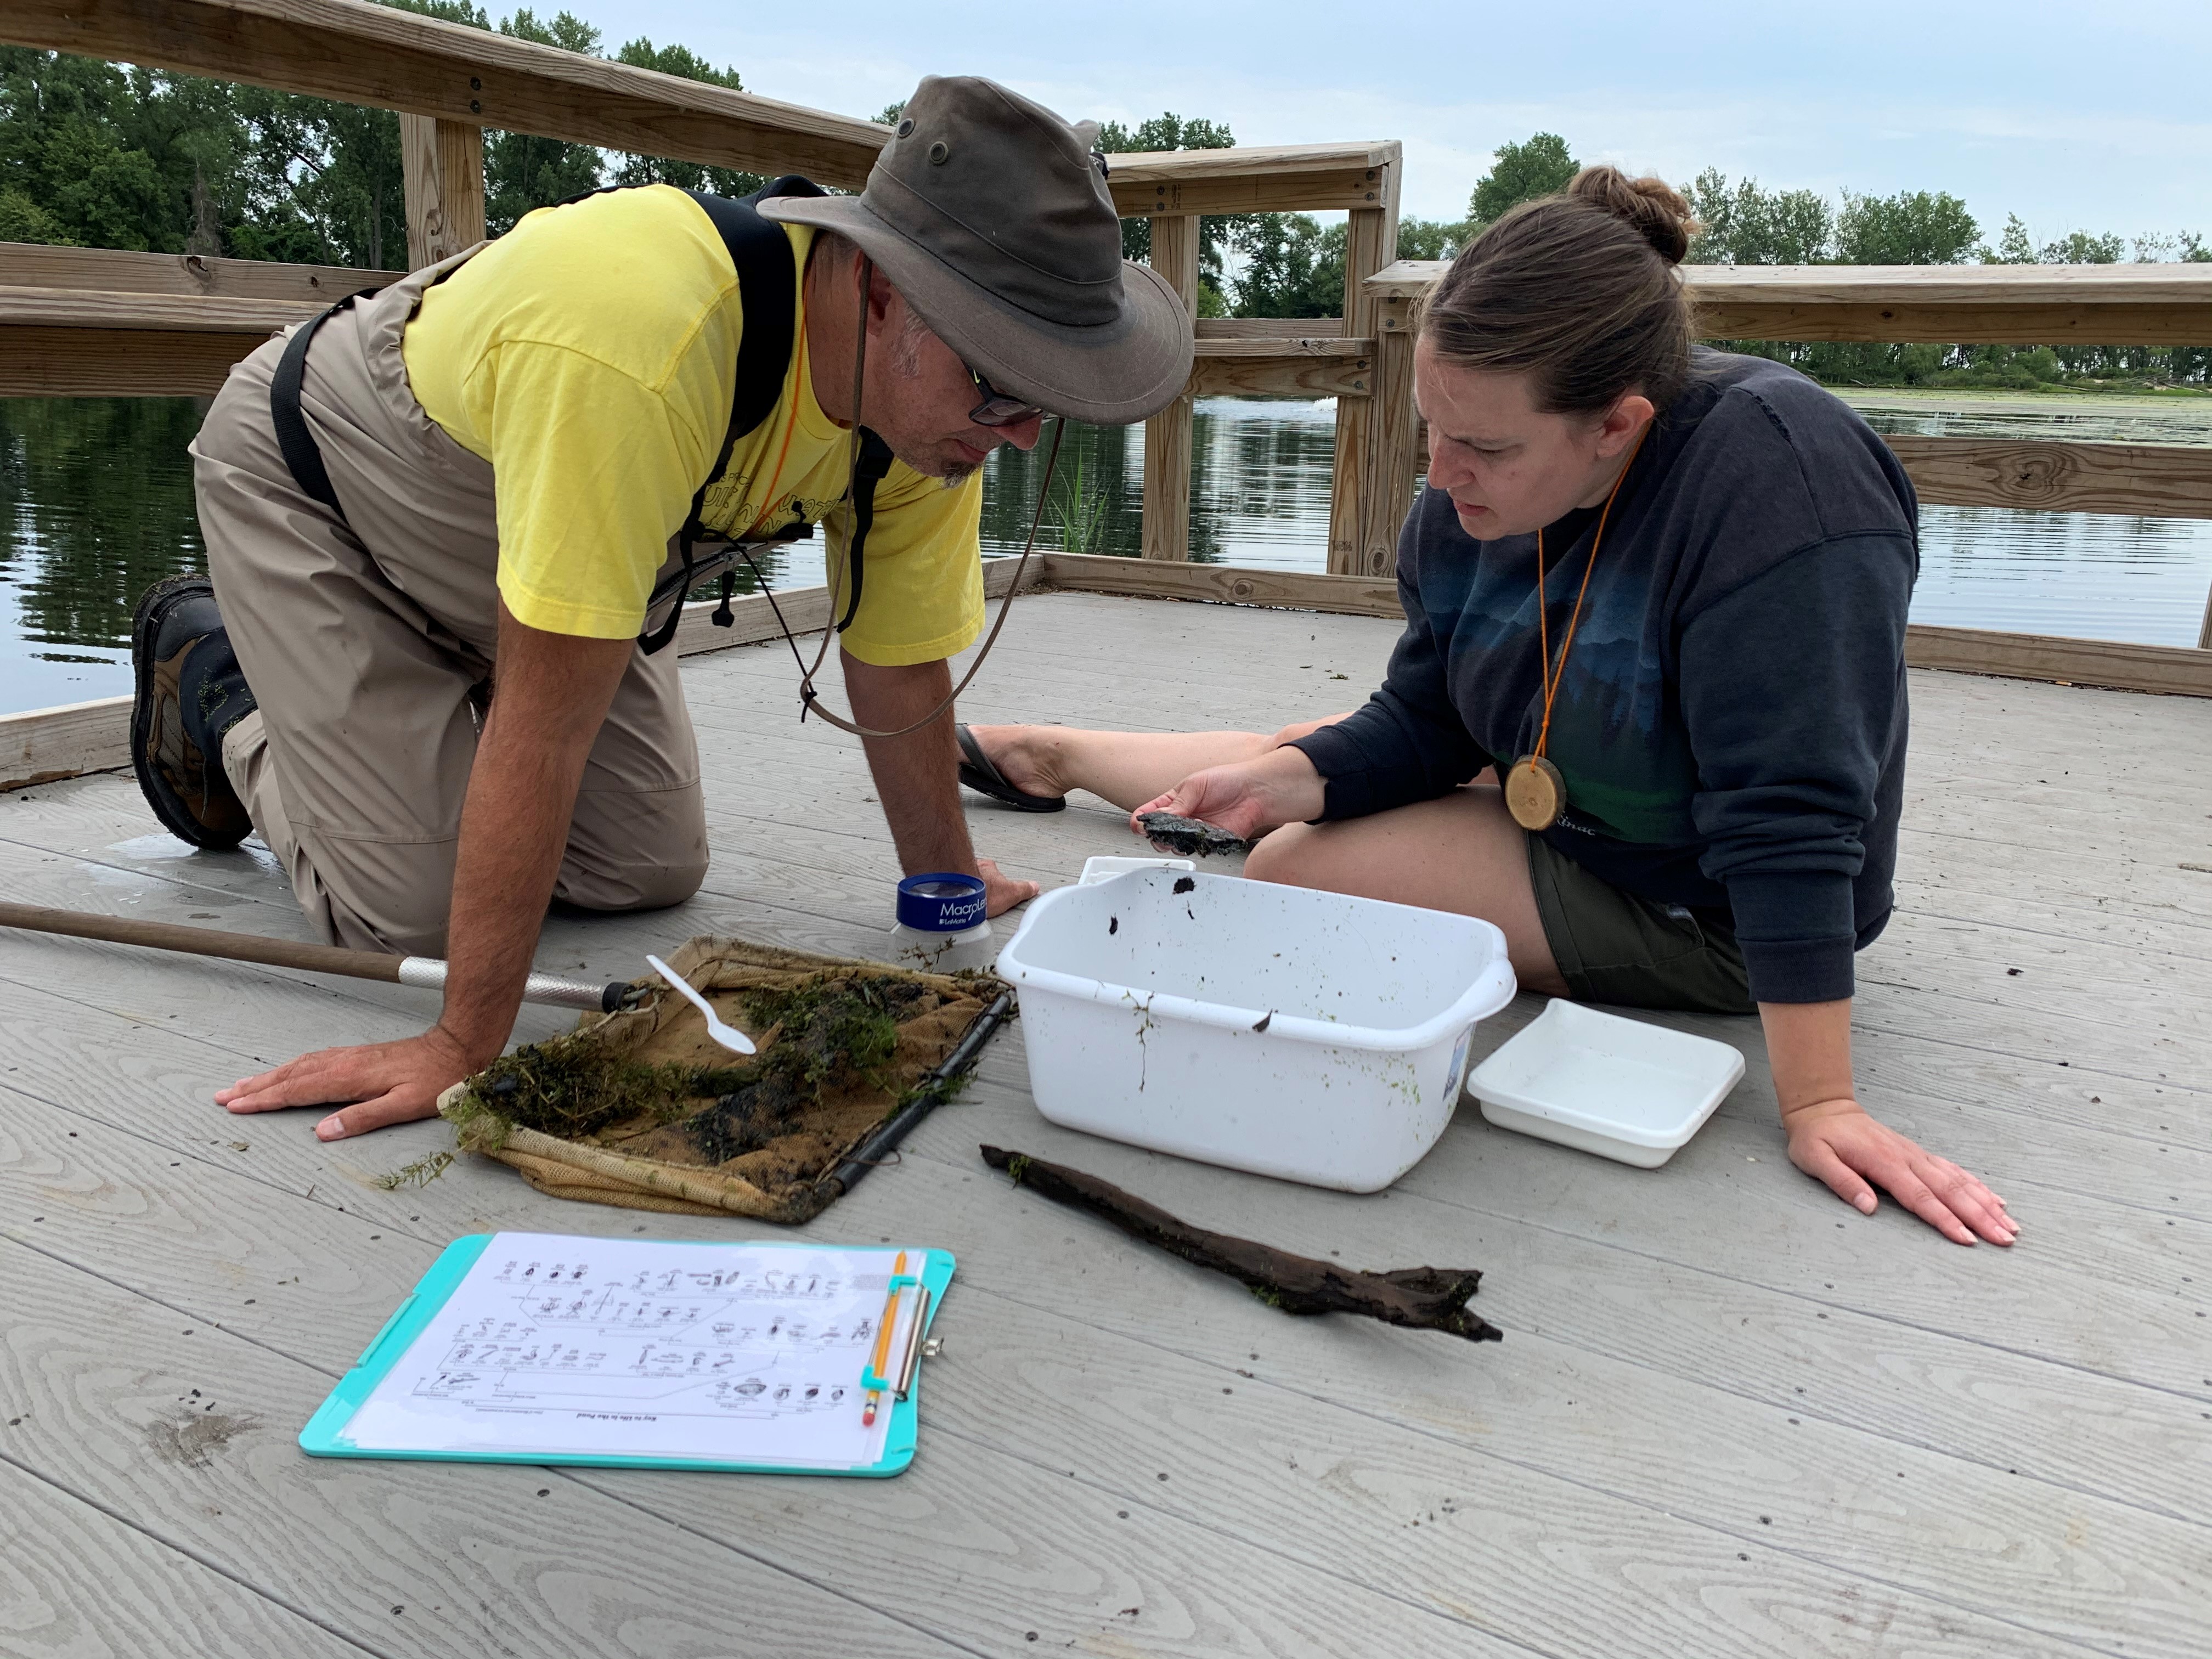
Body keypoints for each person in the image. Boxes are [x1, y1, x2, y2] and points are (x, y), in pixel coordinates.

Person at [958, 167, 2014, 1249]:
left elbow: (1790, 819)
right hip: (1555, 789)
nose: (1441, 474)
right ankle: (1064, 756)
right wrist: (1285, 782)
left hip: (1705, 905)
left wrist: (1820, 1104)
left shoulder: (1783, 491)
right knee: (1286, 782)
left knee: (1289, 867)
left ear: (1616, 425)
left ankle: (1075, 757)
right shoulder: (1463, 488)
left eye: (1487, 449)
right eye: (1430, 426)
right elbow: (1429, 721)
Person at [128, 76, 1191, 1141]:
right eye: (1003, 385)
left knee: (648, 867)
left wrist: (947, 887)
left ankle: (415, 706)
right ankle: (218, 688)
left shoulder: (928, 422)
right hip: (323, 490)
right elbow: (546, 728)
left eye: (1043, 400)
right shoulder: (647, 340)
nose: (1014, 432)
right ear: (878, 290)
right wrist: (463, 1043)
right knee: (406, 912)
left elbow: (898, 665)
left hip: (537, 546)